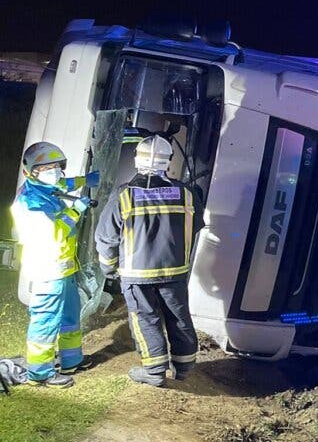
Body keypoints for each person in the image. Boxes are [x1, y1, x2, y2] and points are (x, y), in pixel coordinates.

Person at [94, 136, 200, 387]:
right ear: (168, 161)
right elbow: (194, 227)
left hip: (136, 272)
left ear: (137, 160)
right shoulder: (186, 193)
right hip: (175, 271)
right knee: (179, 316)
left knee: (145, 318)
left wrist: (108, 268)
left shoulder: (124, 195)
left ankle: (154, 371)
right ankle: (184, 366)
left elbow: (106, 237)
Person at [12, 142, 99, 388]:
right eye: (47, 168)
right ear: (31, 171)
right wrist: (77, 210)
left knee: (70, 316)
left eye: (57, 167)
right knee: (46, 321)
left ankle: (72, 359)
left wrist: (87, 179)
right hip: (46, 271)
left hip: (63, 269)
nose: (54, 173)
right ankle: (40, 373)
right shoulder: (31, 202)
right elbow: (56, 233)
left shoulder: (45, 185)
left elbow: (65, 183)